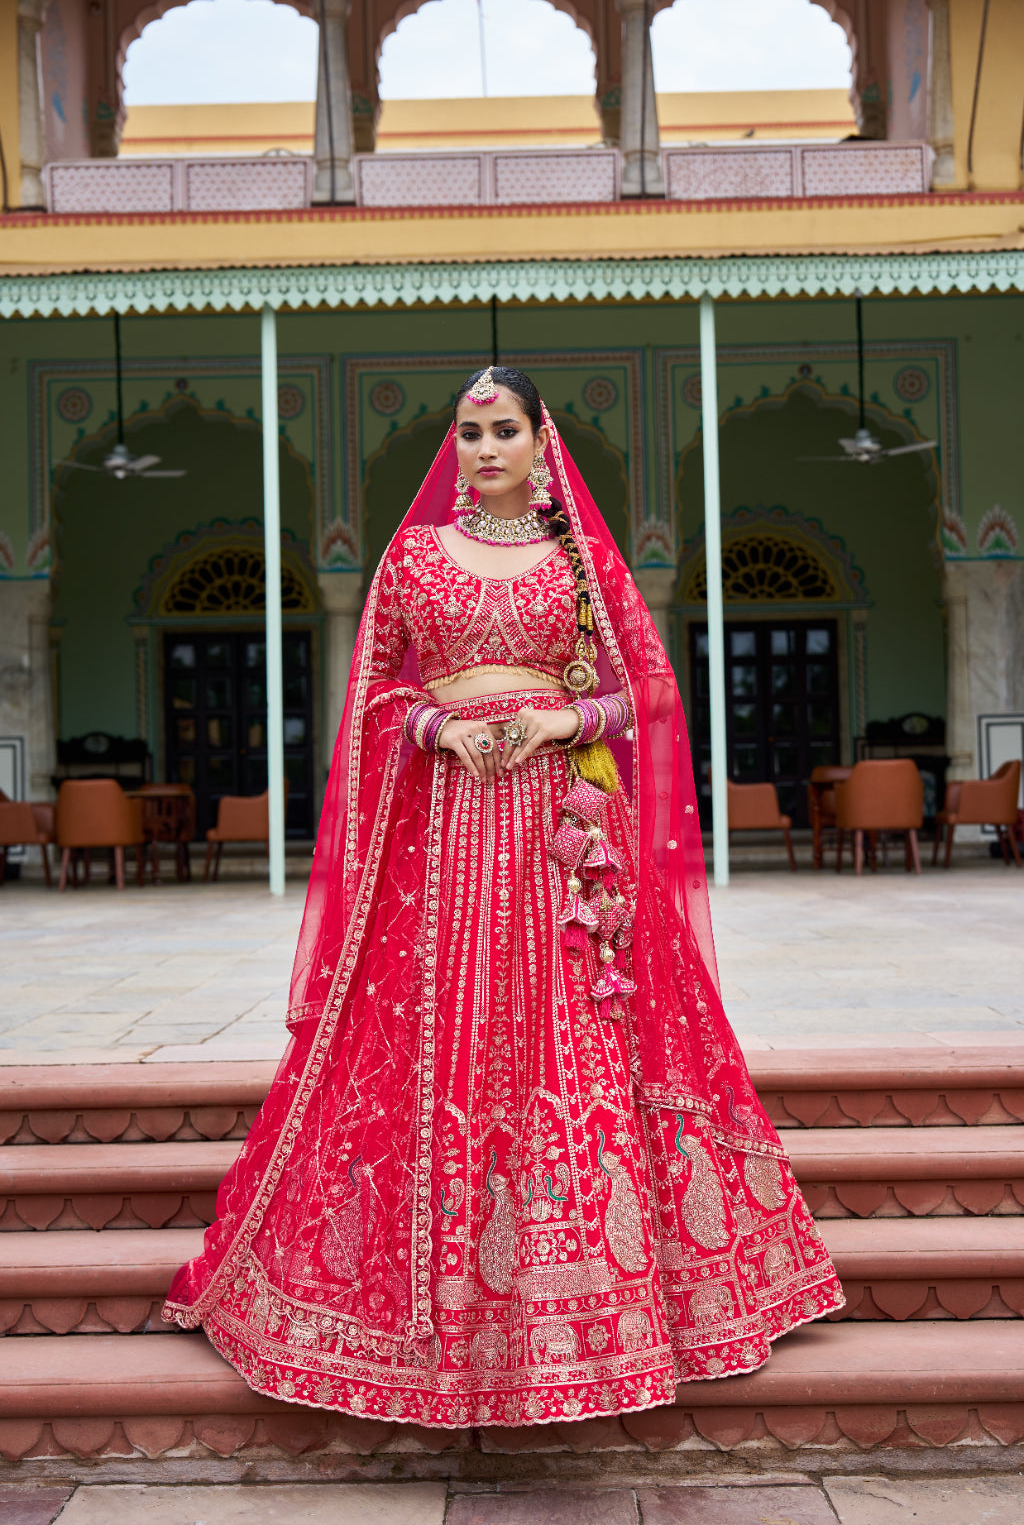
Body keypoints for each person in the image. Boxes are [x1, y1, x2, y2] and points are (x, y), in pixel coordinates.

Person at [164, 366, 843, 1427]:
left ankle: (608, 1311)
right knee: (443, 1040)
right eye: (470, 432)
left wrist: (553, 726)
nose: (485, 449)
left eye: (504, 430)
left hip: (561, 844)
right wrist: (439, 729)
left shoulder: (575, 559)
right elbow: (374, 696)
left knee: (576, 1034)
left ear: (541, 441)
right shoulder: (413, 556)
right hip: (438, 845)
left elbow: (646, 693)